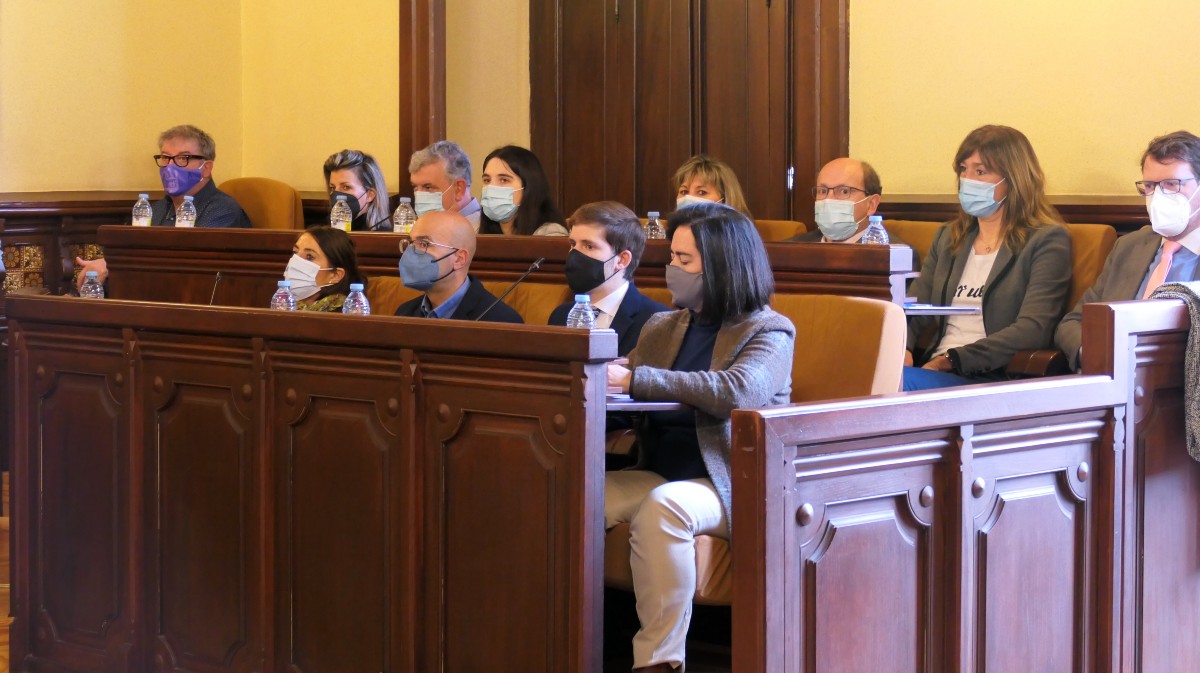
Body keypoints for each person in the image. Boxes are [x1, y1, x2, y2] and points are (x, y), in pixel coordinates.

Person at [604, 201, 795, 672]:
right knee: (575, 494)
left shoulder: (769, 330)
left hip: (732, 483)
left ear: (724, 267)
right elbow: (621, 376)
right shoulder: (663, 326)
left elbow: (738, 390)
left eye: (684, 261)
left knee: (667, 506)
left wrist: (634, 380)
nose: (672, 269)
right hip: (660, 471)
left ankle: (660, 662)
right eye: (671, 257)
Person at [903, 125, 1072, 390]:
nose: (967, 179)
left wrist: (952, 359)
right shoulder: (949, 237)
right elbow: (915, 307)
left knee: (891, 385)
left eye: (980, 171)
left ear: (1013, 179)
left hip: (990, 375)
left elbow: (1034, 328)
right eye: (963, 169)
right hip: (933, 369)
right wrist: (903, 347)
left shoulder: (1046, 240)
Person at [1056, 131, 1200, 370]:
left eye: (1171, 185)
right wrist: (1096, 354)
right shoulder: (1129, 246)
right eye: (1150, 186)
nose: (1158, 196)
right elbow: (1073, 322)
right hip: (1111, 384)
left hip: (1180, 391)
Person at [75, 124, 251, 287]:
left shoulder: (222, 210)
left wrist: (114, 265)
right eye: (166, 158)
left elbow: (187, 264)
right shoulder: (157, 209)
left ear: (206, 167)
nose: (170, 167)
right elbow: (127, 250)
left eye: (183, 158)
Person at [548, 201, 670, 355]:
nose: (574, 255)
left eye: (589, 246)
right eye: (573, 244)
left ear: (622, 260)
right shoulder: (560, 315)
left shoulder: (657, 321)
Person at [393, 210, 524, 322]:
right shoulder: (404, 313)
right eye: (411, 242)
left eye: (424, 244)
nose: (411, 251)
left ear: (459, 259)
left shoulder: (500, 320)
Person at [788, 157, 920, 266]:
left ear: (871, 204)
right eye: (823, 191)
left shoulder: (897, 257)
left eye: (844, 191)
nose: (829, 200)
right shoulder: (788, 250)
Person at [478, 145, 567, 236]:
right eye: (487, 180)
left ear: (528, 186)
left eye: (504, 180)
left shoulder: (550, 233)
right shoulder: (478, 232)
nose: (491, 187)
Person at [285, 225, 366, 312]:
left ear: (335, 275)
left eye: (309, 256)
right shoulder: (285, 306)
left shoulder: (346, 316)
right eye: (295, 252)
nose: (296, 261)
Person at [408, 140, 482, 229]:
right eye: (415, 187)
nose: (419, 195)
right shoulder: (418, 226)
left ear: (459, 189)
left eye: (428, 187)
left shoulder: (485, 232)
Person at [323, 149, 391, 231]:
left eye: (346, 187)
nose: (337, 196)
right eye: (332, 188)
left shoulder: (381, 238)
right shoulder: (332, 232)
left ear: (370, 195)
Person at [672, 154, 751, 217]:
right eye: (684, 192)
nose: (688, 197)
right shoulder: (667, 233)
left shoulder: (737, 235)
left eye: (702, 192)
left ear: (725, 199)